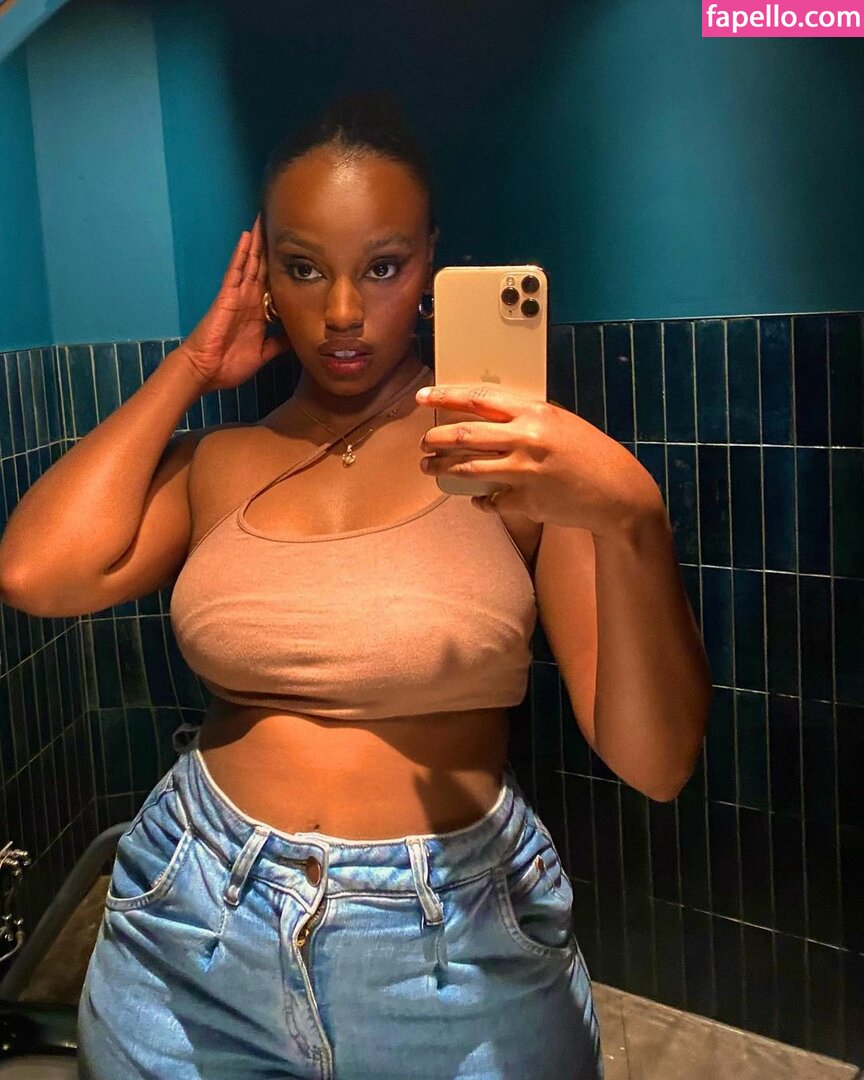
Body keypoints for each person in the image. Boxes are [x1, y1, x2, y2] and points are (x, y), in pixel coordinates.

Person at [0, 92, 711, 1079]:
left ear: (430, 263)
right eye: (303, 268)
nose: (341, 312)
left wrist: (632, 515)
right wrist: (193, 366)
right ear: (263, 277)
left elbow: (657, 762)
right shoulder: (222, 459)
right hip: (191, 925)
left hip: (454, 949)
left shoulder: (515, 465)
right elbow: (35, 572)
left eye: (382, 266)